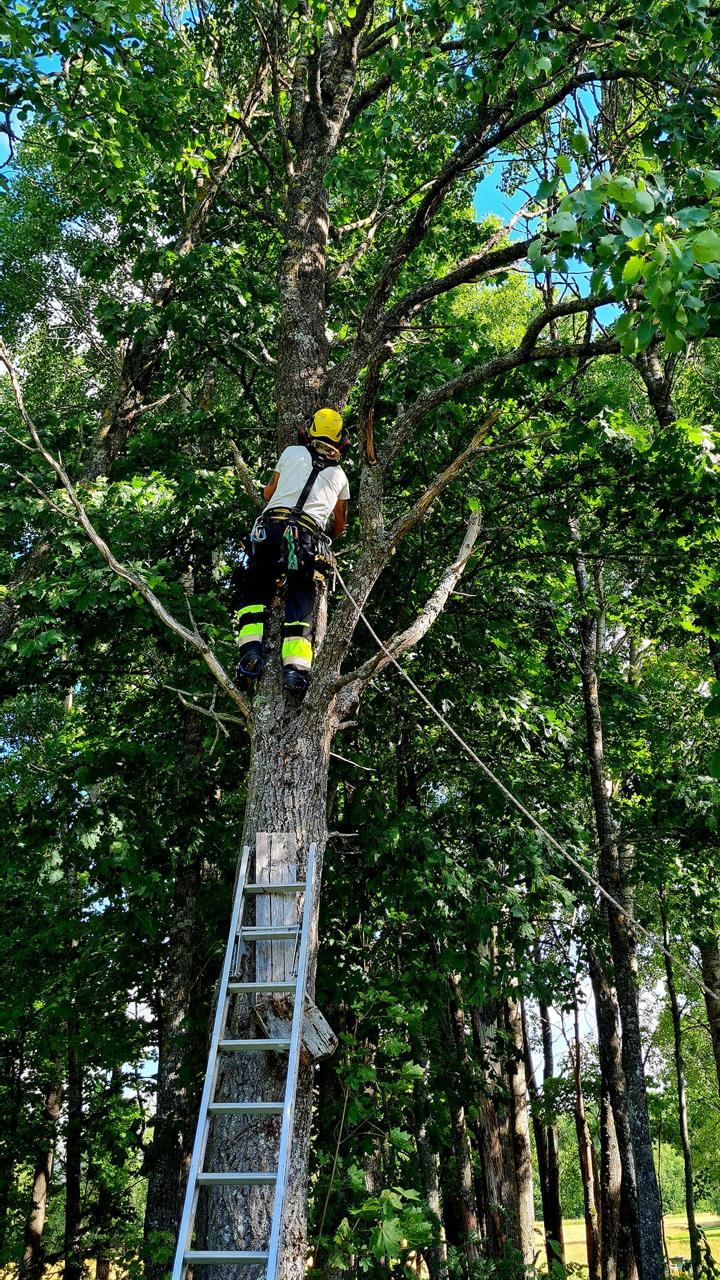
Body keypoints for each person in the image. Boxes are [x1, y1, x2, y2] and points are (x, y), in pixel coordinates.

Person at [231, 407, 350, 693]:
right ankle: (296, 670)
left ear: (309, 432)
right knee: (301, 597)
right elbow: (340, 523)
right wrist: (325, 539)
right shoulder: (341, 477)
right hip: (307, 538)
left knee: (256, 587)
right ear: (340, 441)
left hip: (272, 529)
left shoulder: (291, 453)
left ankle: (250, 652)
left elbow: (268, 493)